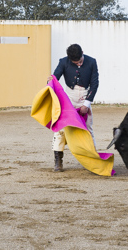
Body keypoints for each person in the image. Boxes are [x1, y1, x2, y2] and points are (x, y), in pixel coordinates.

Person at [47, 44, 99, 172]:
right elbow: (55, 79)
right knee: (60, 130)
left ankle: (92, 160)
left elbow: (94, 83)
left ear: (82, 52)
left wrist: (86, 104)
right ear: (69, 59)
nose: (79, 63)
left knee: (88, 129)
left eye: (80, 61)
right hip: (68, 99)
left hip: (84, 98)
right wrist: (50, 81)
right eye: (75, 62)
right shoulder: (63, 62)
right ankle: (58, 162)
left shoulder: (91, 62)